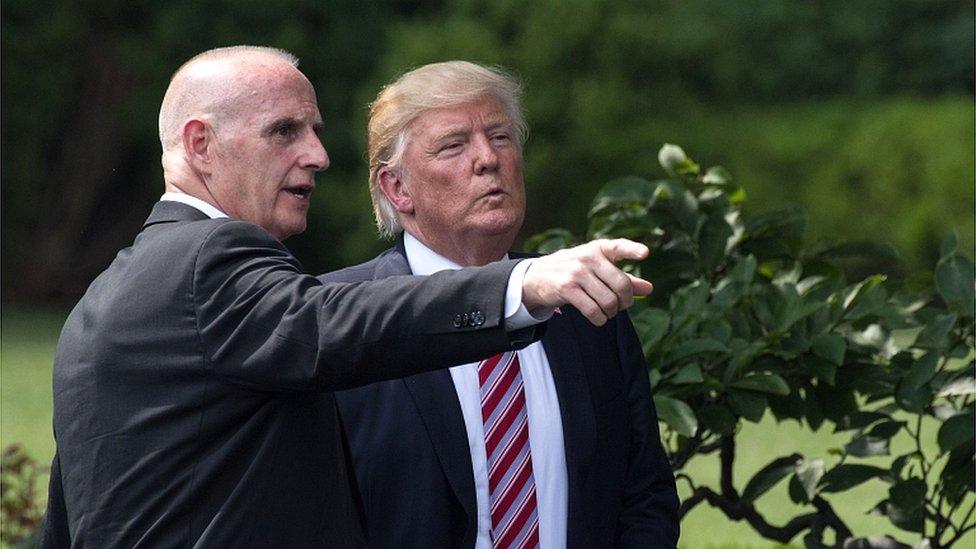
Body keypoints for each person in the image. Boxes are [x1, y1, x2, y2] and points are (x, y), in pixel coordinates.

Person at [37, 47, 654, 548]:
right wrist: (523, 285)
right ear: (199, 144)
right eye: (284, 131)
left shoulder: (98, 304)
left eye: (314, 130)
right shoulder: (209, 259)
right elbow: (325, 322)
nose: (319, 155)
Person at [324, 61, 679, 549]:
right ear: (398, 189)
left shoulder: (582, 303)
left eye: (500, 137)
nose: (487, 159)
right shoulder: (339, 319)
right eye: (454, 145)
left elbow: (644, 495)